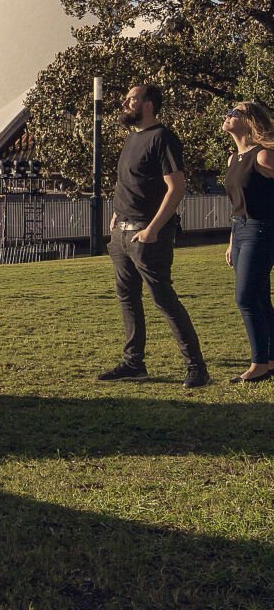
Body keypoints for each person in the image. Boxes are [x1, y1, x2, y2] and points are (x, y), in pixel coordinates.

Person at [97, 83, 209, 389]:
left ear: (148, 105)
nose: (124, 103)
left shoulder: (163, 138)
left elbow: (176, 188)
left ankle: (196, 367)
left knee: (163, 299)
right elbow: (130, 184)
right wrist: (117, 213)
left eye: (131, 99)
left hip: (147, 236)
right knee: (127, 298)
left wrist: (152, 230)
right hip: (121, 235)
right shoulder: (133, 138)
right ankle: (134, 364)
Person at [220, 99, 274, 384]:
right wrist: (232, 242)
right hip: (240, 230)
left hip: (261, 229)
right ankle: (271, 359)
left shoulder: (264, 156)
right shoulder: (233, 158)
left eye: (234, 112)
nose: (227, 116)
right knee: (261, 299)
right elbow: (236, 204)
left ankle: (258, 364)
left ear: (249, 121)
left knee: (246, 298)